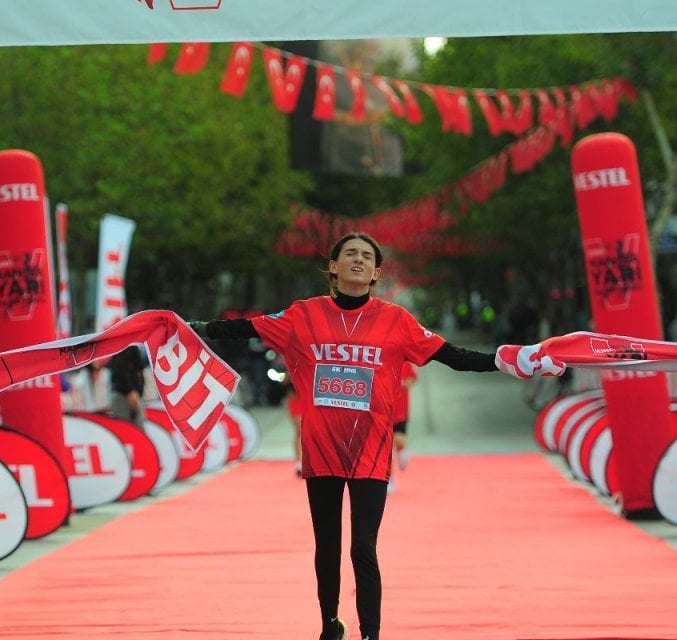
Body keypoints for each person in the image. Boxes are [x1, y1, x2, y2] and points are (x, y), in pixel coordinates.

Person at [190, 232, 500, 640]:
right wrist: (187, 327)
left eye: (366, 256)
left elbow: (456, 358)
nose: (358, 260)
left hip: (371, 450)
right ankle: (328, 625)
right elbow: (243, 328)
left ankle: (370, 633)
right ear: (333, 268)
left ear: (376, 272)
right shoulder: (302, 315)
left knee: (362, 548)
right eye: (349, 254)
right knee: (328, 547)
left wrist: (513, 360)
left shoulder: (397, 321)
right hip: (320, 450)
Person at [388, 361, 417, 493]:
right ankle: (389, 479)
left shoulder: (405, 363)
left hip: (401, 410)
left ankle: (401, 452)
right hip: (384, 411)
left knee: (399, 439)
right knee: (386, 448)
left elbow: (413, 378)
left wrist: (405, 384)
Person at [108, 344, 148, 426]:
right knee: (124, 428)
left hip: (133, 393)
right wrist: (131, 390)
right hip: (123, 393)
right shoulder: (124, 344)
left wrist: (139, 392)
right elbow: (119, 368)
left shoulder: (134, 346)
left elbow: (139, 370)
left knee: (138, 429)